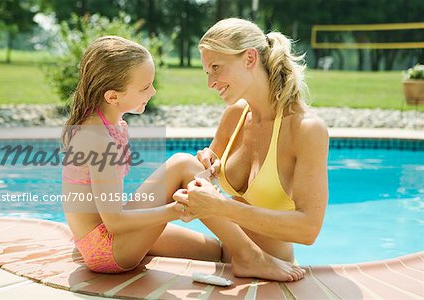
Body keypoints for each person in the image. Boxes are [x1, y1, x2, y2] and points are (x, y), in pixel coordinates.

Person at [174, 18, 329, 281]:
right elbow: (206, 178)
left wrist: (221, 207)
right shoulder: (235, 114)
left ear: (249, 58)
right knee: (178, 167)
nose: (210, 82)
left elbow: (309, 230)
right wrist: (206, 167)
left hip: (271, 269)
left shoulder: (305, 129)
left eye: (216, 67)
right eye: (206, 72)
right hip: (227, 254)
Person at [61, 36, 222, 273]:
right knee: (182, 164)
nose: (153, 91)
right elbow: (114, 222)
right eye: (145, 87)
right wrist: (175, 210)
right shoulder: (99, 140)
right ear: (112, 96)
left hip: (111, 235)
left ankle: (246, 249)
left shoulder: (108, 126)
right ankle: (250, 253)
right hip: (108, 249)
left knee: (216, 252)